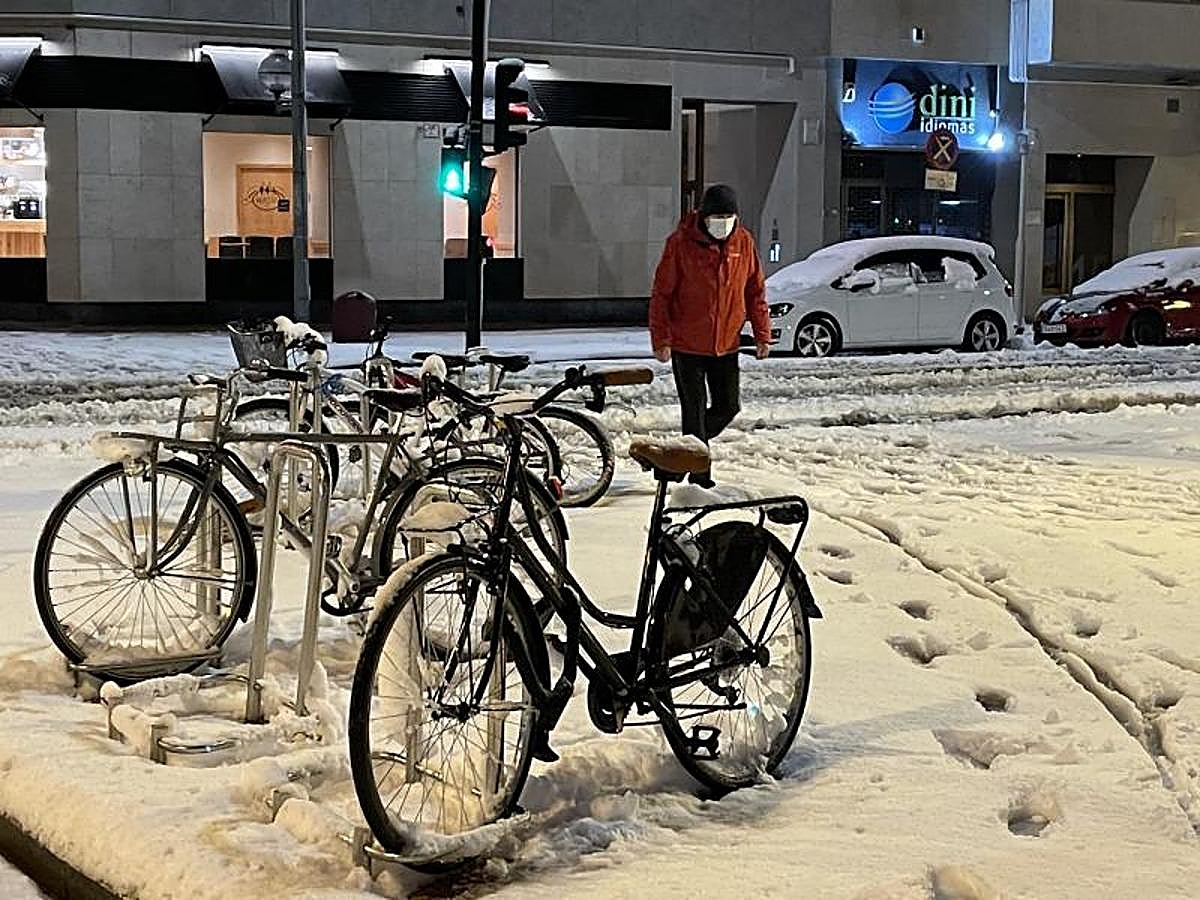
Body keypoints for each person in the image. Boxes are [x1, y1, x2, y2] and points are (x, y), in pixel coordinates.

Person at [649, 184, 771, 487]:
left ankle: (678, 461)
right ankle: (700, 479)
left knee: (728, 406)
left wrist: (762, 334)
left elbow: (755, 291)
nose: (722, 222)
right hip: (687, 345)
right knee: (694, 412)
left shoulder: (743, 242)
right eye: (716, 216)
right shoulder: (680, 243)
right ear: (703, 216)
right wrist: (661, 339)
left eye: (728, 216)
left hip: (726, 344)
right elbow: (662, 295)